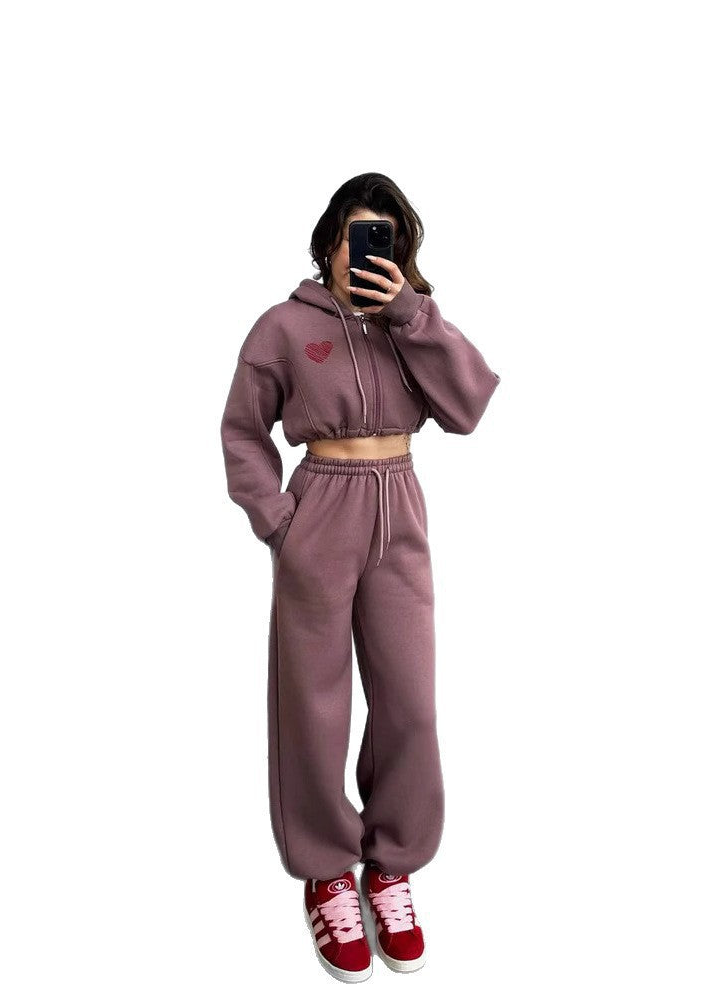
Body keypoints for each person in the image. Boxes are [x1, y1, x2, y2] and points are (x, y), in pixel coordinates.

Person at [219, 173, 501, 982]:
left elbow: (468, 407)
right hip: (321, 508)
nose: (368, 253)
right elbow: (242, 428)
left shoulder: (410, 323)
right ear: (329, 243)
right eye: (356, 237)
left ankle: (392, 864)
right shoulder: (284, 327)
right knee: (314, 701)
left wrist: (411, 314)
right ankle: (327, 873)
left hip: (399, 505)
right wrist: (277, 518)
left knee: (410, 700)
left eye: (387, 239)